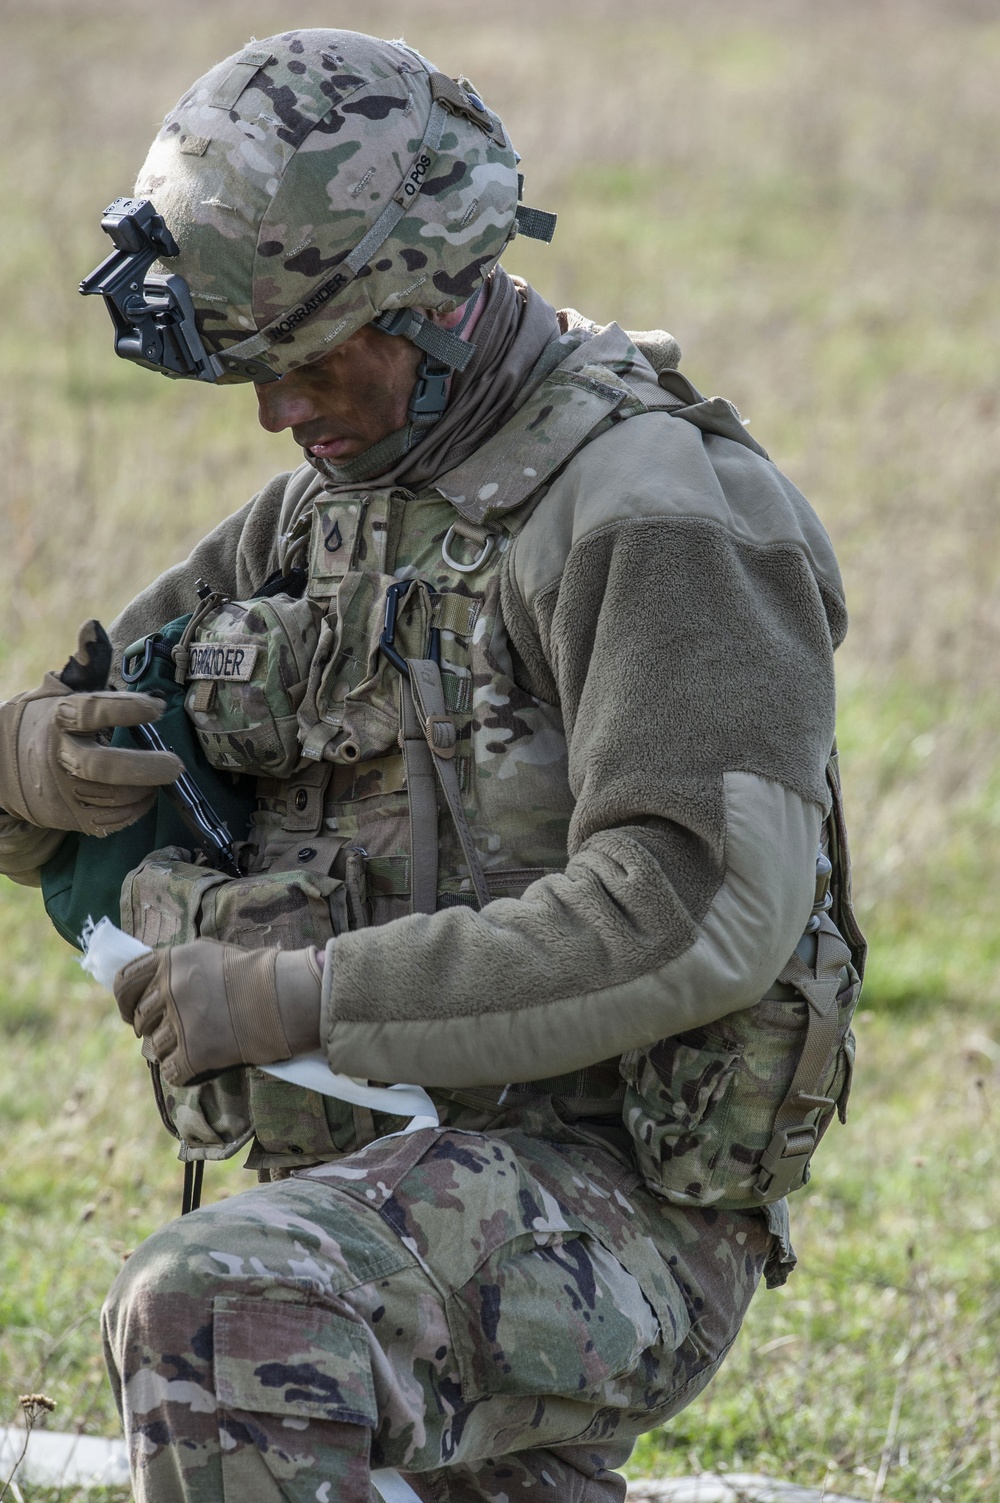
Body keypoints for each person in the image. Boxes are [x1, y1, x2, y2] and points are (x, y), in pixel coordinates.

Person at [0, 29, 865, 1503]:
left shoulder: (656, 513)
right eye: (252, 370)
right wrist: (28, 763)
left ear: (439, 303)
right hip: (392, 1176)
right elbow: (93, 738)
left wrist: (298, 997)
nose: (277, 411)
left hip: (620, 1211)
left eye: (312, 359)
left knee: (227, 1313)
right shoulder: (335, 502)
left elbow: (698, 906)